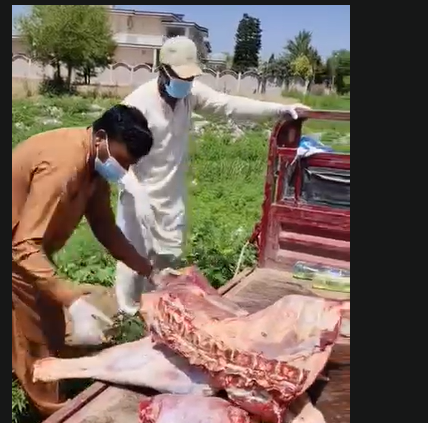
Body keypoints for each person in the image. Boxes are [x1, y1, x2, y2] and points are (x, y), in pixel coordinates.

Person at [113, 36, 309, 314]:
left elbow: (228, 104)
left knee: (167, 259)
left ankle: (154, 313)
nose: (186, 82)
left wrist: (279, 110)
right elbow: (110, 155)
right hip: (138, 194)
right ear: (163, 71)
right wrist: (135, 192)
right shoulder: (136, 105)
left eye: (190, 77)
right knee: (132, 259)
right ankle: (126, 313)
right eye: (181, 77)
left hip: (170, 194)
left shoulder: (190, 95)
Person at [12, 104, 170, 416]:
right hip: (20, 251)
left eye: (128, 165)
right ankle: (51, 414)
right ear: (100, 138)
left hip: (27, 250)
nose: (122, 170)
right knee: (39, 333)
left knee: (49, 322)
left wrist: (149, 271)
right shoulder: (63, 166)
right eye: (121, 161)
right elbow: (24, 246)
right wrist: (71, 298)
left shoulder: (94, 169)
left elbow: (105, 228)